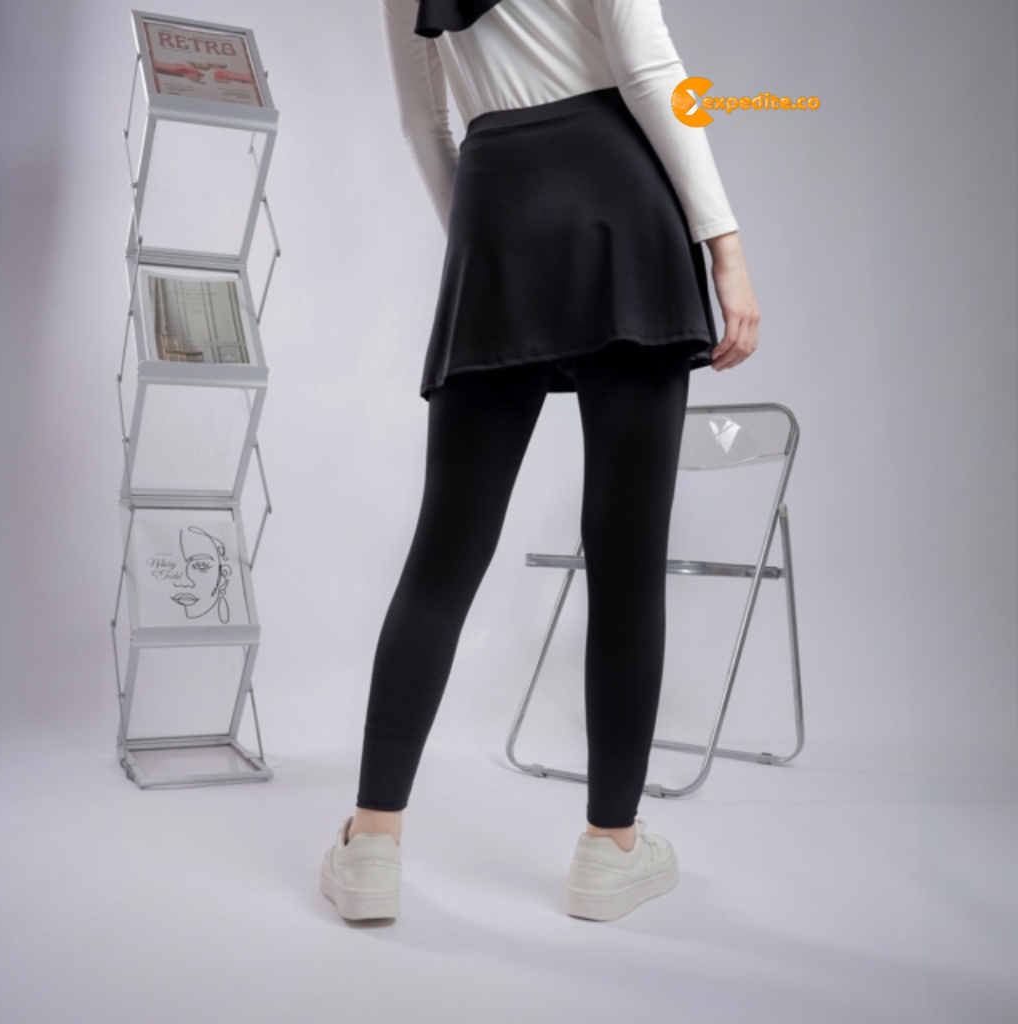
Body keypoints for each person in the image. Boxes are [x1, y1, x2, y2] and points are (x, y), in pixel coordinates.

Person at [320, 0, 760, 923]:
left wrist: (491, 238)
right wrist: (724, 246)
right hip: (621, 195)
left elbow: (421, 122)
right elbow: (647, 69)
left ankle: (372, 842)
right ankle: (611, 849)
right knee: (628, 560)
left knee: (444, 552)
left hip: (496, 197)